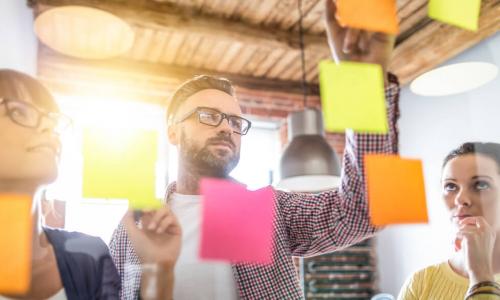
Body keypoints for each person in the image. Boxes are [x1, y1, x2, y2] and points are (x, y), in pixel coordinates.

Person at [109, 0, 401, 298]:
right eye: (208, 116)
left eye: (236, 121)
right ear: (173, 132)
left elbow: (366, 212)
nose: (227, 128)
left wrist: (366, 86)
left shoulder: (263, 211)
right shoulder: (137, 228)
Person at [0, 69, 120, 299]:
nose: (48, 129)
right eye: (18, 111)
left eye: (52, 122)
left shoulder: (90, 255)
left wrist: (158, 269)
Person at [398, 142, 500, 300]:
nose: (460, 199)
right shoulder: (421, 282)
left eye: (480, 184)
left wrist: (481, 277)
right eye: (451, 186)